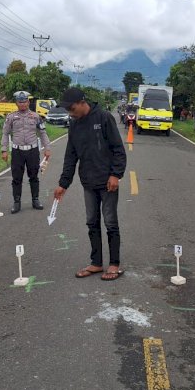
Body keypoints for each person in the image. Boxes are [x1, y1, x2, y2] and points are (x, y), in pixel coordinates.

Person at [54, 87, 127, 281]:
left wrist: (115, 175)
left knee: (110, 222)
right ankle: (96, 263)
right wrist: (63, 183)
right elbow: (71, 156)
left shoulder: (104, 118)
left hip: (107, 182)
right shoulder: (75, 125)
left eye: (71, 108)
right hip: (88, 182)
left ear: (81, 102)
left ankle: (114, 264)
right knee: (91, 222)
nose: (70, 113)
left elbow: (119, 149)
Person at [1, 90, 52, 213]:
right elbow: (5, 133)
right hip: (17, 151)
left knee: (34, 176)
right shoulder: (11, 117)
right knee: (16, 178)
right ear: (16, 103)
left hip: (32, 151)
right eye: (20, 102)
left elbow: (42, 133)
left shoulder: (36, 116)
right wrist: (4, 150)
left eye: (24, 102)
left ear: (28, 102)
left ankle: (35, 200)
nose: (22, 104)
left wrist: (47, 148)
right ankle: (16, 202)